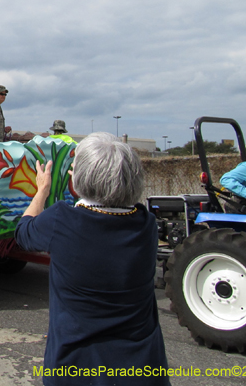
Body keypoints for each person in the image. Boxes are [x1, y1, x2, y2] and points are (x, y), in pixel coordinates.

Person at [16, 133, 170, 384]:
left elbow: (23, 232)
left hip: (77, 366)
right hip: (143, 367)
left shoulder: (62, 220)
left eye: (75, 167)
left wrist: (42, 189)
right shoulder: (146, 224)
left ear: (81, 180)